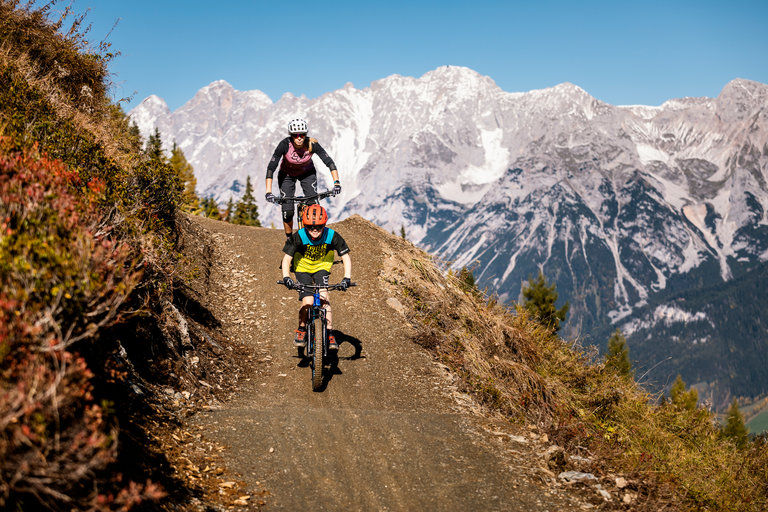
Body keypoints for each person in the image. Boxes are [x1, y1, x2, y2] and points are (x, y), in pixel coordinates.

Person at [280, 204, 351, 350]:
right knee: (308, 300)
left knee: (324, 296)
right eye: (311, 227)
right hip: (302, 268)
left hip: (322, 267)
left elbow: (345, 257)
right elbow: (286, 259)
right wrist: (287, 277)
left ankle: (330, 333)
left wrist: (346, 278)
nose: (315, 230)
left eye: (319, 227)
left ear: (324, 224)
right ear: (305, 226)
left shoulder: (331, 235)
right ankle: (301, 330)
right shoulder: (299, 236)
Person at [265, 118, 342, 238]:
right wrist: (268, 192)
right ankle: (290, 239)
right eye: (296, 135)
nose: (299, 137)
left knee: (313, 206)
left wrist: (336, 183)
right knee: (288, 212)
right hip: (287, 175)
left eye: (302, 134)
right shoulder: (284, 145)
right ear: (291, 136)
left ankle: (313, 237)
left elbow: (329, 162)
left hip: (307, 174)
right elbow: (271, 168)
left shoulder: (312, 144)